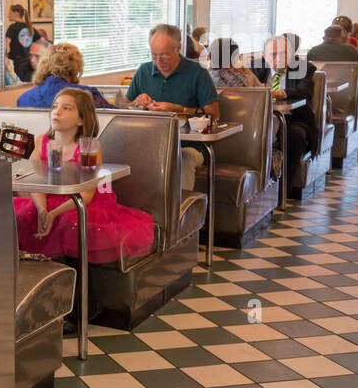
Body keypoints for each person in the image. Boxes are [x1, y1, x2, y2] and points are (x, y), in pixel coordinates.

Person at [13, 88, 153, 264]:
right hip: (47, 199)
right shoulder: (42, 141)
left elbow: (87, 194)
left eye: (67, 108)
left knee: (67, 223)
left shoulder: (88, 148)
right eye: (55, 106)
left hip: (81, 202)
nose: (57, 111)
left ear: (81, 119)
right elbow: (35, 182)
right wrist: (43, 210)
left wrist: (53, 214)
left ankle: (72, 278)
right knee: (19, 215)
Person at [125, 23, 220, 190]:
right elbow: (124, 108)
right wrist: (136, 103)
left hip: (190, 145)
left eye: (164, 55)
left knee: (183, 158)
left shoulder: (197, 72)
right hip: (150, 142)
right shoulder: (144, 71)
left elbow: (214, 115)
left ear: (178, 48)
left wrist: (180, 110)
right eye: (154, 55)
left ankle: (180, 213)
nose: (158, 61)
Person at [250, 32, 320, 186]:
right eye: (273, 54)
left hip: (293, 118)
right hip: (260, 119)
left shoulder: (304, 67)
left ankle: (284, 189)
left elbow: (305, 90)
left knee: (293, 135)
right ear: (264, 56)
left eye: (283, 54)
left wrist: (281, 93)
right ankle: (258, 185)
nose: (279, 58)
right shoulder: (255, 68)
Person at [15, 42, 112, 108]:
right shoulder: (86, 95)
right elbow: (114, 117)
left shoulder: (24, 99)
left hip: (37, 138)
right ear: (76, 66)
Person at [4, 4, 34, 83]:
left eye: (9, 13)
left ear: (16, 13)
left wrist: (5, 57)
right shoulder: (29, 27)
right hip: (28, 62)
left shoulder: (12, 27)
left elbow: (6, 44)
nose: (8, 15)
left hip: (17, 63)